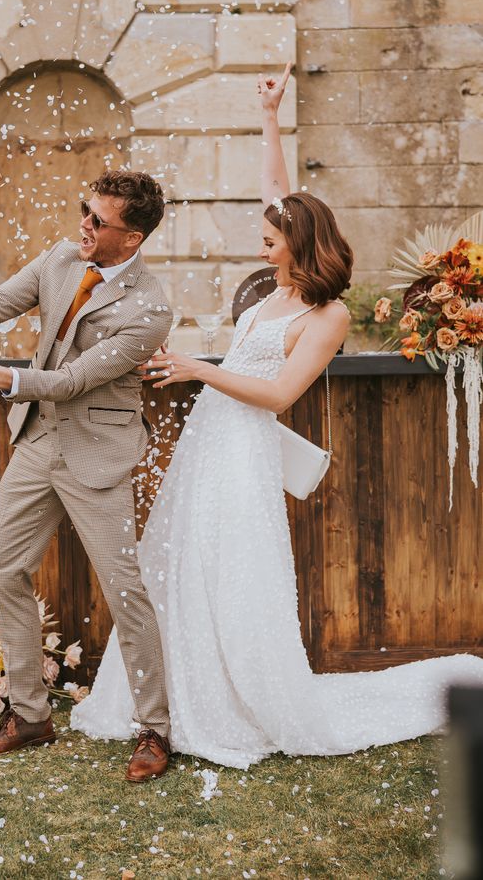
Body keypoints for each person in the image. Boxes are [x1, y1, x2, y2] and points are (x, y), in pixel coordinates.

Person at [71, 65, 483, 768]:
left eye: (270, 239)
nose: (260, 246)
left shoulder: (324, 315)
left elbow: (281, 395)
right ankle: (162, 702)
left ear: (297, 243)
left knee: (235, 570)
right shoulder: (274, 287)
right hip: (207, 442)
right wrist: (270, 116)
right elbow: (278, 193)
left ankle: (236, 702)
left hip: (245, 449)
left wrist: (200, 367)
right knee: (182, 564)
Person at [0, 170, 173, 782]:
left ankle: (155, 728)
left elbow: (74, 380)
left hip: (98, 453)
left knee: (123, 589)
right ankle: (30, 715)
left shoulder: (151, 308)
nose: (85, 226)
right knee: (2, 568)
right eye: (84, 211)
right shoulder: (62, 258)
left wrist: (2, 378)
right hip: (37, 441)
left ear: (134, 238)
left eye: (100, 221)